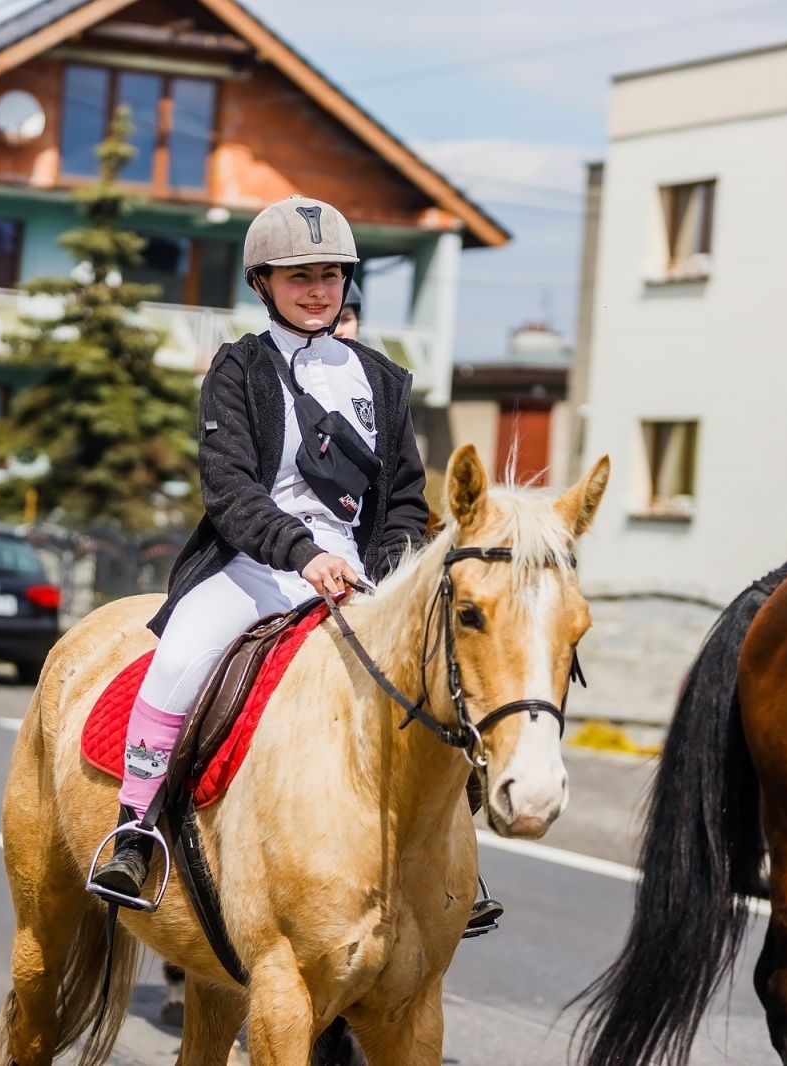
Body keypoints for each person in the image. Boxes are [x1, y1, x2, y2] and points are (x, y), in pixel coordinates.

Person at [89, 196, 503, 934]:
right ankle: (136, 828)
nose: (317, 290)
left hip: (362, 580)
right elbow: (229, 490)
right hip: (254, 568)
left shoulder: (384, 380)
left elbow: (405, 499)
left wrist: (383, 570)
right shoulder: (238, 371)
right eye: (298, 276)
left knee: (446, 680)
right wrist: (303, 553)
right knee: (180, 658)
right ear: (263, 284)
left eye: (330, 275)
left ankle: (453, 862)